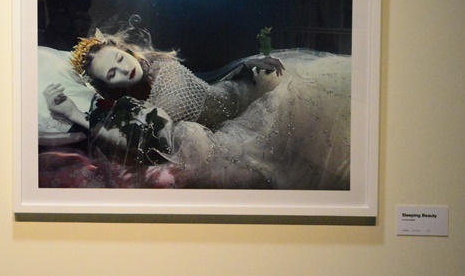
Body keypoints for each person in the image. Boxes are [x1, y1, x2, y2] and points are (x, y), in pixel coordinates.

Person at [40, 22, 350, 189]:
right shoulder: (131, 109)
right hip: (228, 132)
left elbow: (207, 79)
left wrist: (243, 67)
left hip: (238, 96)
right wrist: (72, 112)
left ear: (126, 51)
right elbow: (136, 142)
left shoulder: (160, 64)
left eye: (120, 59)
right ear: (108, 85)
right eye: (112, 73)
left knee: (310, 93)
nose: (123, 69)